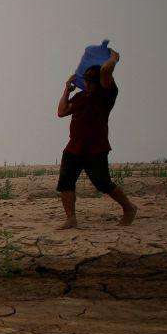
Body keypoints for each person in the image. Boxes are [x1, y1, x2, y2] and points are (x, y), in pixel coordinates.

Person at [55, 48, 137, 229]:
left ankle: (129, 208)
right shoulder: (80, 97)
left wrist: (114, 58)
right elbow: (61, 112)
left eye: (92, 80)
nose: (89, 83)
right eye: (87, 80)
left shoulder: (106, 95)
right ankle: (71, 218)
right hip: (74, 146)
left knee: (103, 184)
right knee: (65, 182)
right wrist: (67, 91)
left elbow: (106, 71)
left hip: (95, 147)